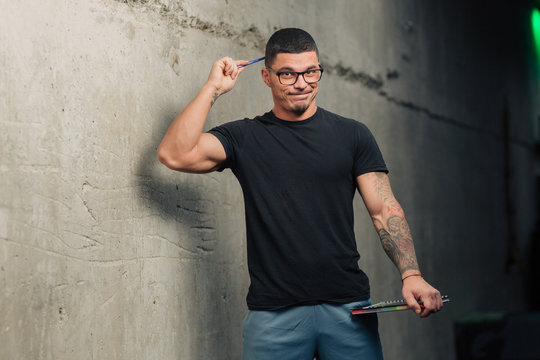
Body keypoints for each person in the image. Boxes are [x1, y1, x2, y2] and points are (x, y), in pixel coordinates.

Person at [158, 28, 443, 360]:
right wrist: (213, 89)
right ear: (266, 76)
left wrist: (412, 275)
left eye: (311, 72)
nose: (302, 82)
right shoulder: (245, 138)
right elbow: (174, 154)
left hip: (347, 308)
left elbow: (384, 209)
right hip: (274, 315)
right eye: (287, 74)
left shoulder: (352, 135)